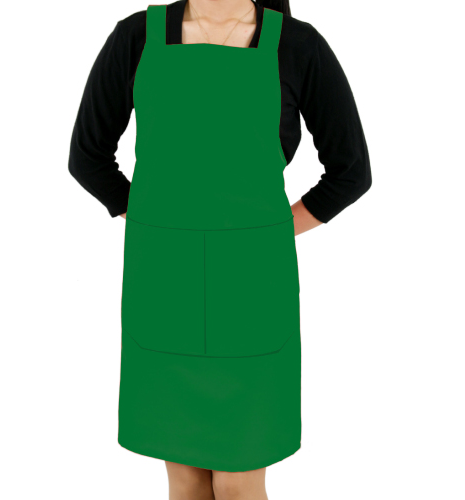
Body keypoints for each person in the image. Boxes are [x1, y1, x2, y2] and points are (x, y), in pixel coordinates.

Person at [68, 0, 371, 498]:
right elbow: (88, 156)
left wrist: (269, 233)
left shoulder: (297, 45)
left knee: (239, 480)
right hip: (166, 289)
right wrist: (155, 226)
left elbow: (351, 171)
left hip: (251, 292)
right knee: (185, 477)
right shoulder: (136, 38)